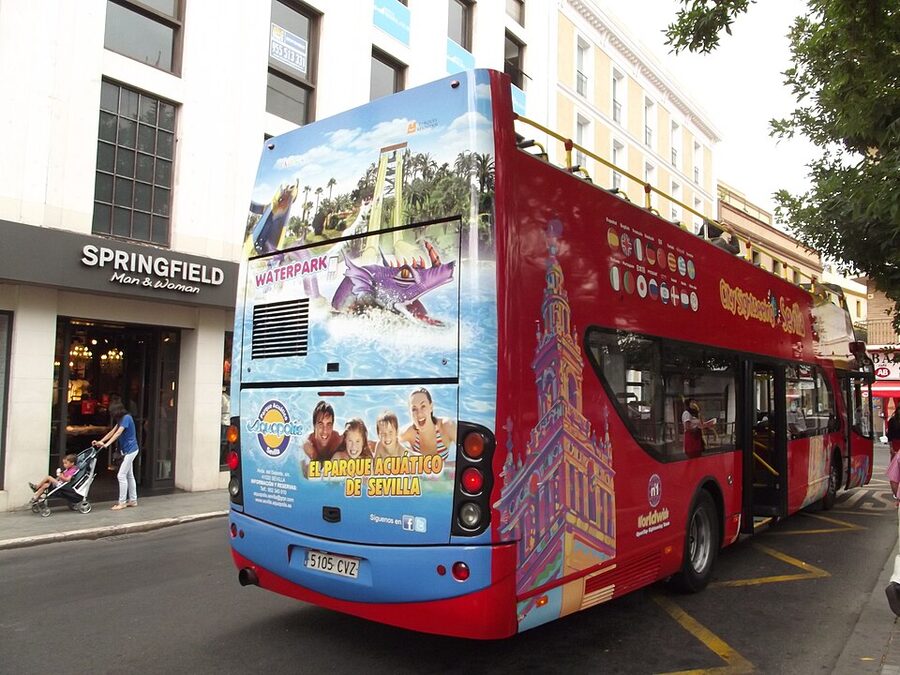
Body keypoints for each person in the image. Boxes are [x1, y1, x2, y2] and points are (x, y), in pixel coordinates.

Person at [92, 400, 139, 510]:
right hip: (128, 450)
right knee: (129, 476)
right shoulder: (121, 419)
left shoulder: (126, 418)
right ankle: (133, 500)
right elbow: (112, 432)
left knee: (121, 475)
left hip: (130, 450)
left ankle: (122, 502)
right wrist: (101, 441)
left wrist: (106, 444)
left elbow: (118, 433)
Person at [400, 387, 456, 460]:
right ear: (409, 413)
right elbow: (384, 446)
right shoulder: (408, 433)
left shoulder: (447, 426)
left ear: (431, 407)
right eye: (414, 409)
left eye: (423, 406)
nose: (419, 413)